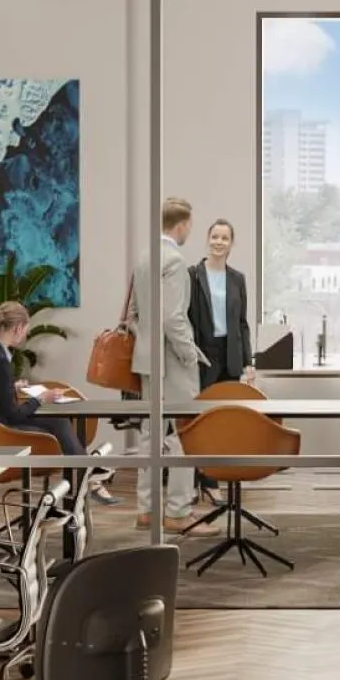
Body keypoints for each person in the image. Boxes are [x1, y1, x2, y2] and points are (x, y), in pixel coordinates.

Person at [132, 195, 201, 529]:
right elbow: (174, 318)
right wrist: (190, 354)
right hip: (173, 362)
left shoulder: (146, 257)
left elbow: (134, 314)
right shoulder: (174, 260)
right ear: (183, 224)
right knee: (183, 435)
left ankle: (147, 510)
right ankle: (178, 511)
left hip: (147, 362)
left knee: (151, 437)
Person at [0, 299, 81, 456]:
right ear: (18, 328)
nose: (25, 335)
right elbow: (14, 414)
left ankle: (83, 469)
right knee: (59, 422)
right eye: (25, 330)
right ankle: (85, 469)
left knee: (58, 421)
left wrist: (11, 387)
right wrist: (41, 398)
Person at [187, 218, 256, 389]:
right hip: (203, 354)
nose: (219, 242)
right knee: (203, 409)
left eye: (225, 238)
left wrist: (248, 362)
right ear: (208, 240)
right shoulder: (193, 275)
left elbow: (242, 323)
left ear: (231, 244)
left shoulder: (237, 279)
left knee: (228, 409)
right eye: (215, 237)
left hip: (231, 355)